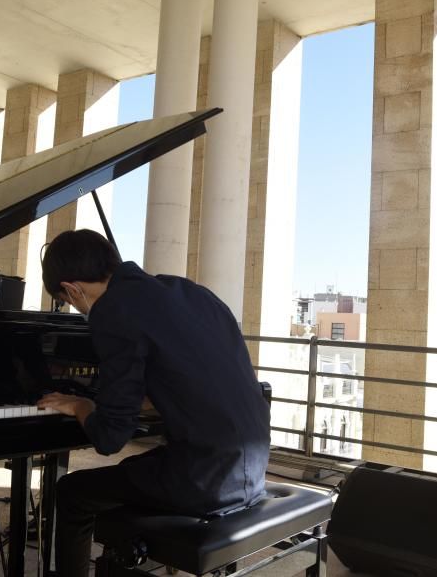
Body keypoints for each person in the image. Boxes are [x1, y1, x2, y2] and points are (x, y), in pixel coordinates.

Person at [36, 229, 271, 577]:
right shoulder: (189, 291)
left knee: (71, 491)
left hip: (206, 479)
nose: (78, 309)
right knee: (142, 469)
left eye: (71, 302)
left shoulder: (112, 312)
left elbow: (110, 438)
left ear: (73, 289)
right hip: (252, 467)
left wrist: (80, 404)